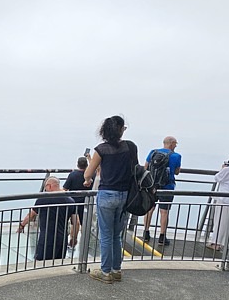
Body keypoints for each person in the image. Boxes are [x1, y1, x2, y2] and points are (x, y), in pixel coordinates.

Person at [84, 116, 135, 283]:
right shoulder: (131, 147)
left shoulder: (101, 149)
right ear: (121, 130)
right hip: (126, 195)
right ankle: (116, 270)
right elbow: (136, 169)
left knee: (106, 235)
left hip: (107, 195)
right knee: (117, 235)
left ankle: (105, 272)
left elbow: (88, 174)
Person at [17, 177, 75, 260]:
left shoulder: (42, 200)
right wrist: (74, 238)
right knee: (58, 263)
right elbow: (76, 222)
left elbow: (31, 215)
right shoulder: (70, 201)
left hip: (46, 239)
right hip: (62, 239)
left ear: (49, 186)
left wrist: (22, 225)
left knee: (40, 262)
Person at [142, 136, 182, 246]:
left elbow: (146, 167)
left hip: (152, 186)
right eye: (175, 144)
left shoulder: (153, 152)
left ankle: (146, 232)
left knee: (149, 209)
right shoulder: (176, 156)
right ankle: (162, 237)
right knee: (164, 212)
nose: (176, 146)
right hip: (167, 187)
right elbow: (177, 172)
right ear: (171, 143)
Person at [63, 156, 92, 248]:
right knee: (85, 222)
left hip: (73, 202)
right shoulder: (91, 175)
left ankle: (73, 240)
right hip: (86, 202)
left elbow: (65, 188)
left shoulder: (72, 175)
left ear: (77, 164)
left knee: (75, 223)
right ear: (86, 165)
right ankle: (85, 241)